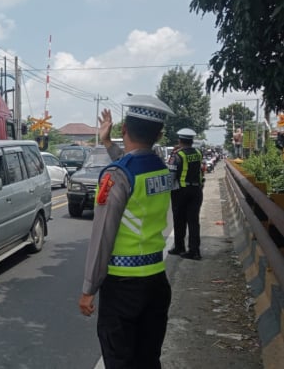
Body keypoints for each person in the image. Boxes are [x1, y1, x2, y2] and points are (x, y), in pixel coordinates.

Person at [79, 95, 174, 369]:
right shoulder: (161, 168)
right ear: (158, 135)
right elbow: (135, 162)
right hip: (156, 281)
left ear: (125, 130)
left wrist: (89, 288)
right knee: (148, 360)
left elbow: (101, 238)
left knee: (119, 361)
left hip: (123, 288)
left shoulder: (116, 176)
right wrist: (109, 145)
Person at [167, 128, 204, 260]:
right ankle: (195, 251)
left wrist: (168, 189)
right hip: (196, 191)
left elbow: (171, 175)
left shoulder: (177, 155)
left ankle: (179, 247)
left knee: (179, 220)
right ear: (192, 141)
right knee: (194, 221)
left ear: (180, 140)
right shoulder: (198, 153)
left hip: (181, 191)